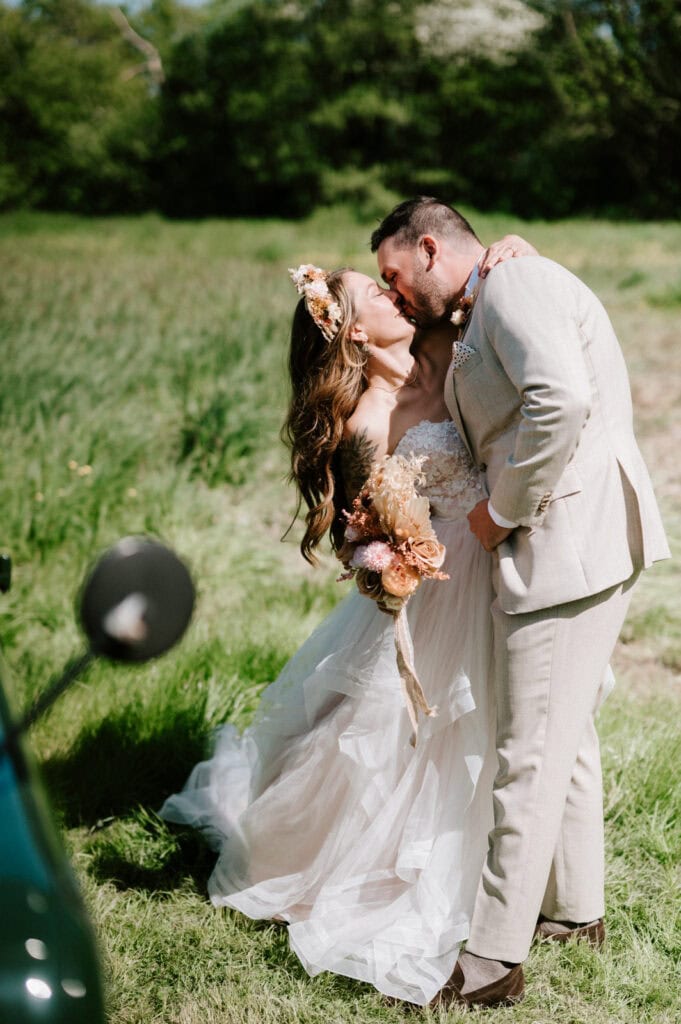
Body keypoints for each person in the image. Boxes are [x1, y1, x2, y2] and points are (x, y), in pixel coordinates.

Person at [159, 236, 535, 1006]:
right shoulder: (366, 420)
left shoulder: (446, 338)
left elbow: (483, 293)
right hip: (435, 594)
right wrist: (385, 560)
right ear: (356, 333)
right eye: (379, 294)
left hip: (502, 563)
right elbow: (362, 534)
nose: (399, 295)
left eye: (393, 285)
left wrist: (515, 253)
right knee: (401, 744)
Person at [372, 197, 671, 1008]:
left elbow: (560, 401)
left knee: (527, 751)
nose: (393, 294)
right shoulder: (491, 295)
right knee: (557, 734)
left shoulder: (513, 286)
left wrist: (502, 510)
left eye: (395, 275)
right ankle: (574, 914)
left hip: (564, 543)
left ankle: (493, 961)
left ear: (429, 248)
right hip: (573, 543)